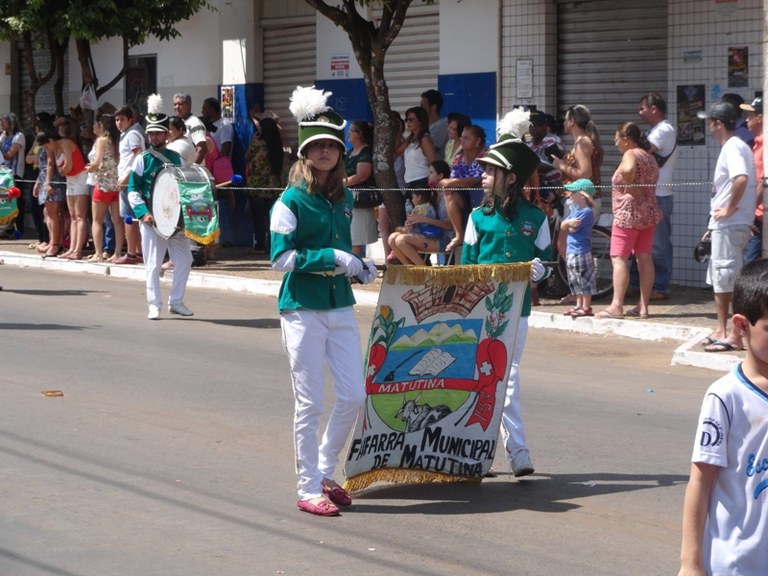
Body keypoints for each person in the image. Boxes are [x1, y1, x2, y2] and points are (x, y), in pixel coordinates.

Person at [270, 86, 376, 516]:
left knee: (353, 395)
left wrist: (359, 266)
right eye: (318, 146)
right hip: (301, 309)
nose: (326, 152)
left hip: (340, 306)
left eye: (333, 145)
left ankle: (325, 471)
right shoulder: (290, 200)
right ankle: (307, 487)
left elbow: (345, 250)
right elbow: (281, 259)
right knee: (310, 403)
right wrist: (333, 258)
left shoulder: (345, 197)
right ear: (305, 153)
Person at [462, 128, 551, 477]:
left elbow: (546, 262)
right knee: (479, 379)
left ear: (510, 178)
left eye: (490, 170)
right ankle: (475, 452)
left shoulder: (536, 218)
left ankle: (517, 451)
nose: (483, 175)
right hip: (480, 311)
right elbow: (466, 268)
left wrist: (540, 271)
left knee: (506, 378)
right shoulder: (477, 217)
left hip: (517, 311)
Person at [678, 258, 768, 576]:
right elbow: (700, 481)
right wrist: (690, 563)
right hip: (737, 565)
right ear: (742, 326)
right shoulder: (726, 396)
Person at [126, 94, 195, 320]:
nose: (153, 137)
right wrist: (143, 213)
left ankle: (176, 301)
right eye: (151, 133)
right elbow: (133, 190)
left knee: (185, 260)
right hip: (152, 220)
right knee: (153, 264)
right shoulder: (142, 159)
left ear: (166, 134)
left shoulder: (177, 158)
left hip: (174, 220)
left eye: (158, 133)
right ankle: (154, 304)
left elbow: (186, 187)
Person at [696, 102, 757, 353]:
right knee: (722, 278)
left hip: (731, 223)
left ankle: (733, 335)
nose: (708, 126)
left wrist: (730, 211)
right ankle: (722, 330)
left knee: (726, 279)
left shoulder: (733, 147)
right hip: (728, 224)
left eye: (710, 122)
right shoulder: (735, 146)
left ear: (718, 123)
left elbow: (741, 179)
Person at [596, 122, 660, 320]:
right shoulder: (649, 157)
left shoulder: (630, 153)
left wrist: (630, 185)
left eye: (616, 140)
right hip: (648, 213)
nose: (616, 144)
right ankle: (643, 306)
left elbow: (628, 169)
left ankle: (616, 305)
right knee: (644, 258)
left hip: (628, 213)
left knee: (619, 258)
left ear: (626, 140)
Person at [631, 92, 679, 300]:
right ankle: (635, 284)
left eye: (642, 108)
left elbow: (645, 150)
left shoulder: (664, 130)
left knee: (658, 243)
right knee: (639, 242)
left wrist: (631, 136)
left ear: (654, 109)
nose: (639, 112)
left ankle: (660, 287)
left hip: (659, 195)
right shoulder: (654, 130)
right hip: (647, 193)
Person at [438, 124, 486, 256]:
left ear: (478, 140)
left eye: (467, 138)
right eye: (462, 138)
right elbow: (452, 180)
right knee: (449, 193)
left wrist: (454, 182)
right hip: (465, 197)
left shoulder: (486, 155)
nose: (462, 141)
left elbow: (477, 179)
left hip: (482, 196)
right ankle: (459, 235)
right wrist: (449, 183)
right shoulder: (459, 157)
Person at [86, 114, 124, 262]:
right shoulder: (116, 140)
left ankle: (98, 253)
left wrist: (90, 168)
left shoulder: (101, 140)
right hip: (115, 183)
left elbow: (97, 162)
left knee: (97, 220)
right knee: (117, 220)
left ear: (101, 125)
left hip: (103, 184)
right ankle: (118, 252)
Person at [245, 115, 283, 253]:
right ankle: (272, 244)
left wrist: (253, 140)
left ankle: (260, 244)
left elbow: (246, 157)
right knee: (272, 215)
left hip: (257, 184)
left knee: (258, 216)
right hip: (273, 184)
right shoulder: (277, 144)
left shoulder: (257, 143)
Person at [114, 105, 145, 264]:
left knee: (129, 218)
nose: (119, 123)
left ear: (130, 120)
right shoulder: (125, 134)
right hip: (126, 180)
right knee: (132, 217)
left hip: (130, 182)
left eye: (122, 119)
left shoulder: (132, 134)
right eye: (117, 120)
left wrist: (126, 178)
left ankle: (131, 253)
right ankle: (138, 252)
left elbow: (138, 156)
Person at [560, 179, 596, 317]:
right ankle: (578, 305)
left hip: (581, 251)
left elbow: (573, 229)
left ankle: (586, 306)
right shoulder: (575, 211)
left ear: (582, 195)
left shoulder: (587, 212)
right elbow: (564, 226)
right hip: (571, 250)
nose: (570, 194)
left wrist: (568, 224)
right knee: (574, 280)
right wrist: (568, 223)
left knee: (584, 279)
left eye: (573, 192)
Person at [343, 119, 378, 255]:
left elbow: (361, 176)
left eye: (351, 131)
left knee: (356, 236)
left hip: (359, 199)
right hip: (347, 199)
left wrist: (342, 183)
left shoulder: (365, 151)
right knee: (349, 234)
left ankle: (356, 264)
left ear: (360, 134)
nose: (348, 133)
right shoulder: (350, 151)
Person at [54, 126, 89, 260]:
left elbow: (67, 167)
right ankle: (71, 248)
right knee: (73, 215)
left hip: (80, 176)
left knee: (80, 216)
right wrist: (62, 170)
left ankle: (78, 250)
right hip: (70, 179)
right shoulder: (55, 147)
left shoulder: (66, 143)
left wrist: (62, 170)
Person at [387, 187, 445, 265]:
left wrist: (413, 221)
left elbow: (416, 222)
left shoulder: (421, 208)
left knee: (400, 239)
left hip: (432, 236)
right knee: (392, 238)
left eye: (413, 197)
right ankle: (409, 268)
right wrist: (408, 224)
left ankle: (423, 269)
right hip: (422, 234)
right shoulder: (425, 207)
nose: (412, 200)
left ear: (419, 197)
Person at [33, 131, 66, 258]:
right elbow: (43, 167)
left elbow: (50, 163)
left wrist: (47, 183)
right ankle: (53, 241)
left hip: (52, 179)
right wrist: (38, 182)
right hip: (45, 178)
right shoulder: (49, 146)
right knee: (48, 213)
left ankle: (56, 243)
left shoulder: (52, 147)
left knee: (53, 214)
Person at [740, 97, 764, 264]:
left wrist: (749, 211)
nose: (746, 120)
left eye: (749, 115)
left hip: (761, 216)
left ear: (760, 117)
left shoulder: (765, 146)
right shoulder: (758, 144)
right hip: (757, 214)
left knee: (751, 265)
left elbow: (764, 181)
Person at [396, 106, 436, 192]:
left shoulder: (424, 139)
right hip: (409, 182)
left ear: (420, 121)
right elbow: (397, 151)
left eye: (411, 120)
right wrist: (399, 131)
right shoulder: (410, 139)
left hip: (422, 180)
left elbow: (433, 162)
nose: (408, 122)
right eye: (406, 120)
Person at [0, 113, 26, 238]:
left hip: (14, 173)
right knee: (5, 201)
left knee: (16, 201)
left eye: (3, 121)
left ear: (11, 123)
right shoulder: (4, 136)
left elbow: (9, 155)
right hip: (3, 174)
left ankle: (18, 229)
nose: (1, 124)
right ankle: (7, 227)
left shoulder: (18, 136)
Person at [173, 93, 207, 165]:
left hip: (191, 170)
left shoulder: (195, 123)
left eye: (180, 104)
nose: (177, 107)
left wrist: (193, 168)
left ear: (188, 105)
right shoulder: (179, 123)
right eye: (175, 104)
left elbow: (202, 149)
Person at [420, 89, 448, 156]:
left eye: (422, 106)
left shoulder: (442, 125)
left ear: (433, 106)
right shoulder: (424, 125)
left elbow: (430, 148)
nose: (420, 109)